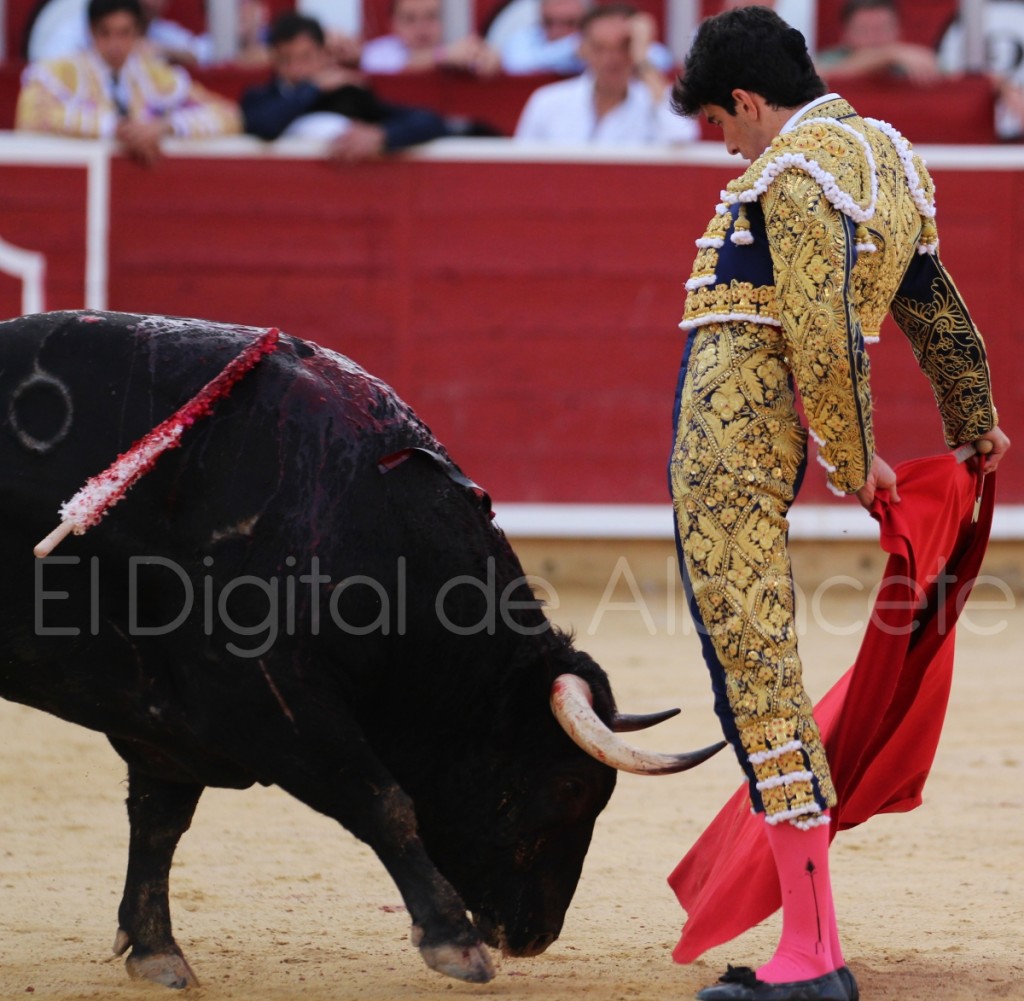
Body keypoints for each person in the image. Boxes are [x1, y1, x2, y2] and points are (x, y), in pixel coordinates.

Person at [667, 6, 1008, 1000]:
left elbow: (817, 323)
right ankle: (808, 942)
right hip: (752, 443)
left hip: (728, 457)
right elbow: (932, 300)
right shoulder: (887, 157)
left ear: (746, 99)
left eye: (723, 123)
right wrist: (970, 413)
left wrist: (851, 458)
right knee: (760, 673)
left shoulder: (792, 168)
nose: (726, 144)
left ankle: (811, 955)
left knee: (758, 678)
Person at [16, 0, 240, 165]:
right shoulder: (62, 71)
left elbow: (229, 115)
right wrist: (117, 129)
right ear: (91, 32)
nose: (115, 44)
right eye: (106, 33)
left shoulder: (154, 75)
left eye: (124, 33)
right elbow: (31, 116)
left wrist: (164, 127)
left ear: (138, 33)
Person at [242, 12, 484, 163]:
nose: (297, 68)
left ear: (323, 56)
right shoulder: (259, 98)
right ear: (273, 59)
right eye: (286, 59)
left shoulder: (345, 96)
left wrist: (382, 136)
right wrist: (313, 88)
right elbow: (265, 125)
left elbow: (428, 121)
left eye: (306, 57)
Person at [817, 0, 1024, 138]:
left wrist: (1005, 87)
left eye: (882, 29)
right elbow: (819, 75)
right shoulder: (829, 59)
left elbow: (965, 83)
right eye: (864, 30)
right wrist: (890, 53)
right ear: (845, 34)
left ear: (898, 30)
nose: (874, 38)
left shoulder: (916, 62)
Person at [513, 3, 697, 145]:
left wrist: (643, 58)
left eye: (622, 47)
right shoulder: (547, 102)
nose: (611, 59)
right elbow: (523, 170)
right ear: (583, 48)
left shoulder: (652, 102)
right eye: (599, 47)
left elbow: (682, 136)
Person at [25, 0, 269, 67]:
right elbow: (47, 73)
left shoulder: (160, 32)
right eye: (106, 34)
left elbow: (208, 55)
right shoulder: (72, 28)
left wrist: (245, 37)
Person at [497, 0, 672, 77]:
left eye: (569, 22)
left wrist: (633, 48)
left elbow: (663, 60)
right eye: (550, 22)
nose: (558, 30)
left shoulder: (601, 37)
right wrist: (574, 49)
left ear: (587, 21)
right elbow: (516, 63)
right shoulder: (527, 36)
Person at [360, 0, 500, 76]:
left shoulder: (460, 46)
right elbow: (395, 65)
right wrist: (444, 56)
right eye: (410, 19)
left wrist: (486, 59)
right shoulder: (377, 51)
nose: (421, 27)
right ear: (393, 24)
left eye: (431, 16)